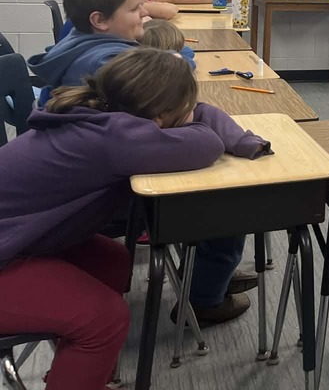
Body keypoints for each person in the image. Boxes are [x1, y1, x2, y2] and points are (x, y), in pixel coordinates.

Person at [0, 48, 271, 390]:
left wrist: (190, 111)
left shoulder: (101, 116)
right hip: (9, 253)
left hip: (17, 238)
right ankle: (84, 358)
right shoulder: (115, 139)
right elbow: (206, 143)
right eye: (186, 108)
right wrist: (201, 117)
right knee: (105, 319)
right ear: (158, 118)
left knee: (112, 260)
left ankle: (81, 373)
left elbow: (195, 124)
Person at [30, 0, 146, 106]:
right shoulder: (107, 62)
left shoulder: (80, 41)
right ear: (99, 20)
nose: (144, 12)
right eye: (134, 9)